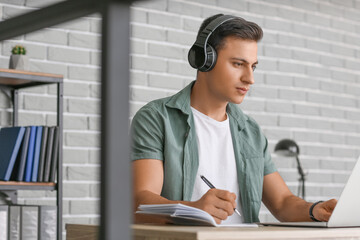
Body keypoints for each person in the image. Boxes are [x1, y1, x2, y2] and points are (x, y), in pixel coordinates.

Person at [130, 13, 337, 224]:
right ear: (204, 60)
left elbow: (282, 203)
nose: (250, 78)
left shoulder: (251, 132)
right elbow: (139, 203)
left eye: (253, 66)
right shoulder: (156, 119)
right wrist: (193, 209)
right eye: (239, 64)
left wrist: (315, 210)